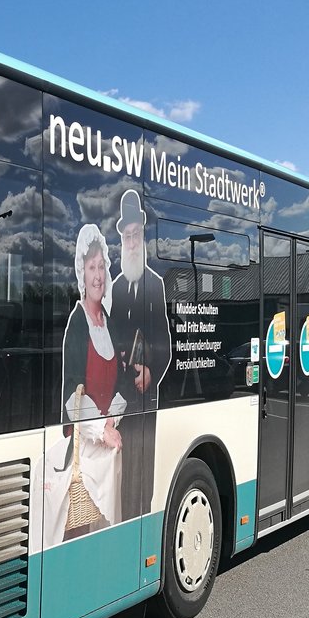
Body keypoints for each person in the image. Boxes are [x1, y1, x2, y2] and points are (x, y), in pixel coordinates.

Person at [47, 224, 126, 544]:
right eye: (91, 267)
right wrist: (99, 429)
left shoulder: (111, 324)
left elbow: (124, 386)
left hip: (110, 453)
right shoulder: (76, 325)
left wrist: (114, 420)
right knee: (81, 533)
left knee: (109, 532)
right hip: (85, 457)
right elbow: (70, 395)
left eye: (102, 267)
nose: (98, 275)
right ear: (82, 273)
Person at [108, 188, 171, 519]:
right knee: (122, 472)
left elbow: (166, 344)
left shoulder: (155, 285)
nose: (131, 242)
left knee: (143, 471)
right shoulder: (116, 287)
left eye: (136, 235)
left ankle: (144, 521)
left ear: (143, 237)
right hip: (122, 396)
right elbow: (111, 338)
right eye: (126, 236)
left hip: (147, 399)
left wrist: (152, 372)